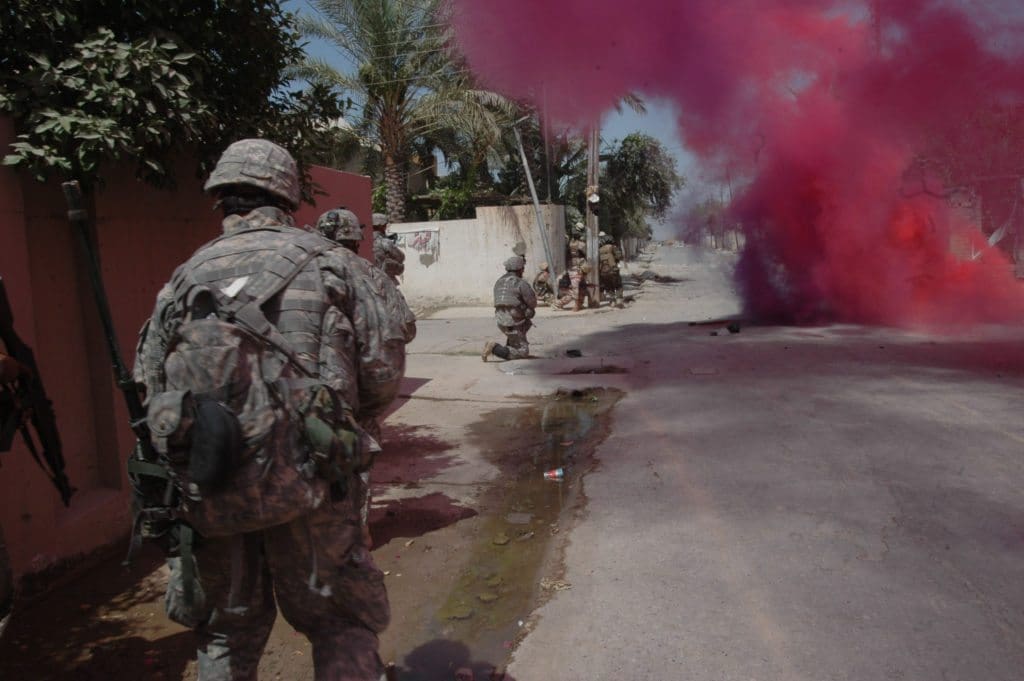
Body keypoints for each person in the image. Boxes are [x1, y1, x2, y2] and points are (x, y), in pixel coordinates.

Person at [134, 139, 415, 681]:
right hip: (315, 484)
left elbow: (151, 384)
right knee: (339, 624)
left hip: (215, 488)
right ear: (288, 195)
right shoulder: (333, 264)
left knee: (223, 635)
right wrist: (337, 428)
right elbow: (382, 372)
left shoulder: (183, 279)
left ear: (222, 197)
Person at [481, 256, 537, 361]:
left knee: (515, 334)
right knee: (523, 352)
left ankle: (512, 342)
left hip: (500, 320)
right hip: (513, 322)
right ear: (521, 269)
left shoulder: (499, 282)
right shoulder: (520, 283)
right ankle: (494, 348)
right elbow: (532, 303)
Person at [371, 213, 405, 285]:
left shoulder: (365, 240)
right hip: (385, 281)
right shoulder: (384, 242)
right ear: (382, 226)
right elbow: (401, 257)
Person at [598, 232, 624, 308]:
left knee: (609, 287)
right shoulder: (612, 247)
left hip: (603, 272)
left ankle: (612, 302)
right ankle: (619, 300)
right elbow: (619, 256)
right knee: (618, 285)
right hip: (613, 270)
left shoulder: (599, 249)